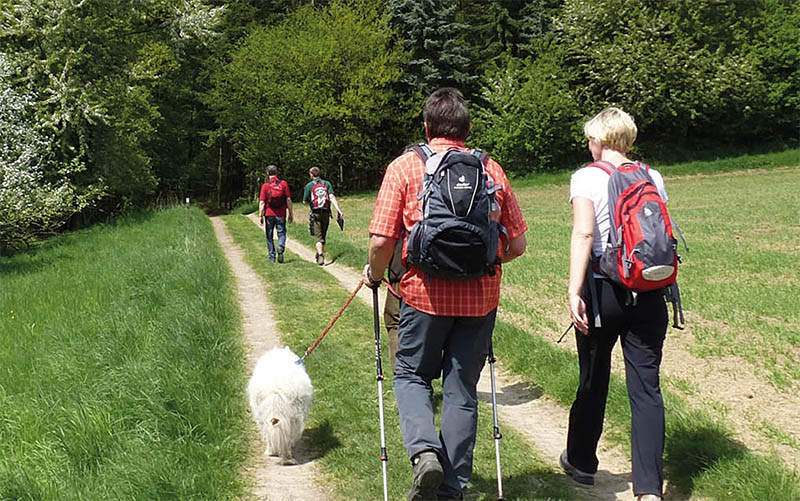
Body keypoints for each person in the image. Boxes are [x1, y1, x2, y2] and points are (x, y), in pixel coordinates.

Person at [363, 87, 528, 500]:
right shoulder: (492, 170)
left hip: (422, 295)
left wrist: (375, 274)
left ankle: (424, 455)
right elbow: (518, 244)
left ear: (426, 127)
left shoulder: (403, 168)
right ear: (467, 129)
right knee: (461, 390)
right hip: (480, 301)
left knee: (411, 375)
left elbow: (383, 239)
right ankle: (451, 489)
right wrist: (483, 264)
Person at [562, 107, 669, 501]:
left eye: (591, 139)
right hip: (649, 289)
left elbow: (584, 234)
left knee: (593, 378)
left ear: (600, 141)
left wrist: (574, 291)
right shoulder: (652, 177)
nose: (589, 145)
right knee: (646, 389)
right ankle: (649, 489)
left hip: (602, 290)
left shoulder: (586, 178)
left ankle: (581, 462)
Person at [302, 167, 343, 265]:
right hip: (326, 212)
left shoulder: (309, 186)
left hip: (315, 213)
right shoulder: (327, 184)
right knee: (323, 235)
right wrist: (339, 210)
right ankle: (320, 253)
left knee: (317, 235)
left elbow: (304, 201)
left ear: (311, 174)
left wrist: (310, 204)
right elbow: (332, 197)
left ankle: (320, 254)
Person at [258, 164, 293, 263]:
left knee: (269, 235)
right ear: (277, 173)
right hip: (281, 213)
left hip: (269, 214)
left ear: (267, 173)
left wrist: (261, 215)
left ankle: (272, 257)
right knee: (281, 233)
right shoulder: (284, 184)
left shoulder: (265, 186)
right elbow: (288, 199)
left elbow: (262, 202)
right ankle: (281, 247)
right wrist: (290, 213)